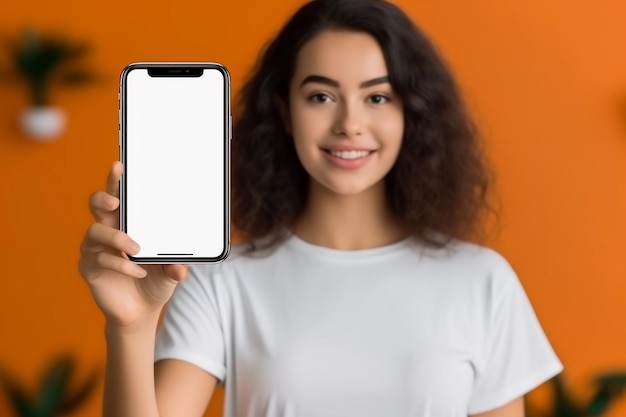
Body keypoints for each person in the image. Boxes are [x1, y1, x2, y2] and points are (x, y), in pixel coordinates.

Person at [78, 0, 563, 416]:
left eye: (377, 96)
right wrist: (132, 327)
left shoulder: (482, 282)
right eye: (321, 96)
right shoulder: (219, 281)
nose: (350, 123)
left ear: (410, 113)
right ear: (285, 111)